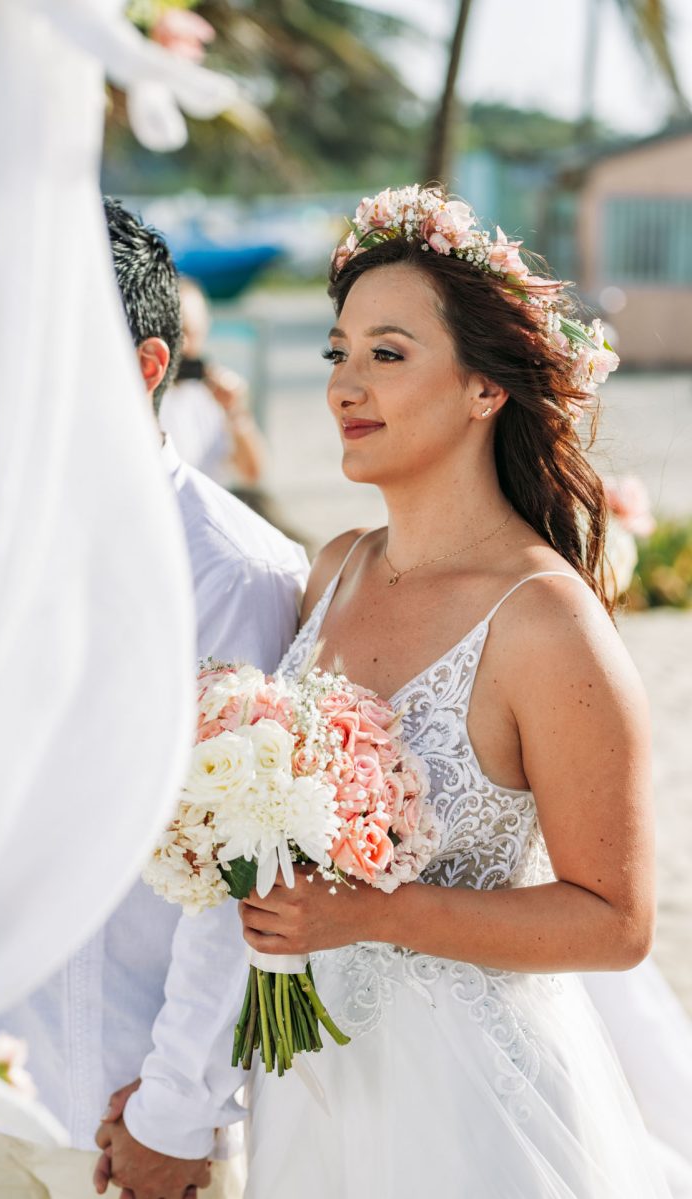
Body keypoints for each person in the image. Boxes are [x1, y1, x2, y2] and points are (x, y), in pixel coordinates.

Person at [238, 186, 677, 1197]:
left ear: (486, 388)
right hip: (311, 1078)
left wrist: (367, 914)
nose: (345, 384)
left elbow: (614, 922)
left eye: (386, 353)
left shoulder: (542, 621)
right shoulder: (334, 566)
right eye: (335, 352)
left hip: (475, 1108)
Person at [0, 198, 308, 1199]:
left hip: (116, 1110)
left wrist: (175, 1106)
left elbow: (241, 866)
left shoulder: (231, 573)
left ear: (151, 366)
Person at [159, 277, 266, 489]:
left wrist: (235, 411)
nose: (186, 345)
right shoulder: (144, 396)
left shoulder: (212, 393)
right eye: (179, 332)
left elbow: (252, 473)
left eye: (193, 332)